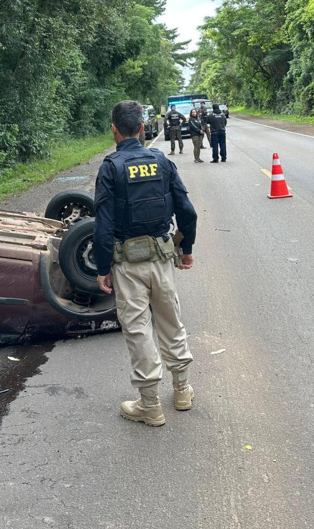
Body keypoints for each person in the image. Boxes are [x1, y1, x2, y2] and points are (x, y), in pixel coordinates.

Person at [94, 100, 198, 427]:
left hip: (127, 265)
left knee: (139, 330)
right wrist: (187, 249)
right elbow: (187, 211)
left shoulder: (111, 168)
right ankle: (182, 391)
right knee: (171, 321)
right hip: (162, 259)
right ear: (142, 128)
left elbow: (103, 225)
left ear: (114, 130)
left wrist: (101, 267)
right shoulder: (162, 162)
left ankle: (150, 406)